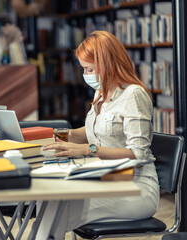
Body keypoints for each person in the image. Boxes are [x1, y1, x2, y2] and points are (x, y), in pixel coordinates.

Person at [37, 30, 159, 239]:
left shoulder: (133, 94)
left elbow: (138, 154)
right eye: (84, 68)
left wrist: (87, 150)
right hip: (106, 179)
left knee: (55, 212)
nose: (86, 75)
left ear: (108, 64)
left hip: (135, 187)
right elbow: (94, 130)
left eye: (90, 68)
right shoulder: (101, 91)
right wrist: (55, 136)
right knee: (48, 201)